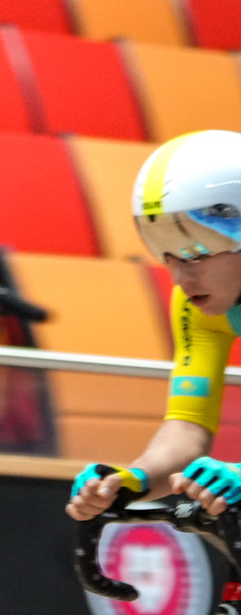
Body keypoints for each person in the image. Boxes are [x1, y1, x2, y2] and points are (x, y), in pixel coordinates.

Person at [68, 130, 241, 523]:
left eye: (196, 253)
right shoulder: (195, 305)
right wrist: (133, 480)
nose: (181, 278)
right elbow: (188, 428)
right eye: (167, 255)